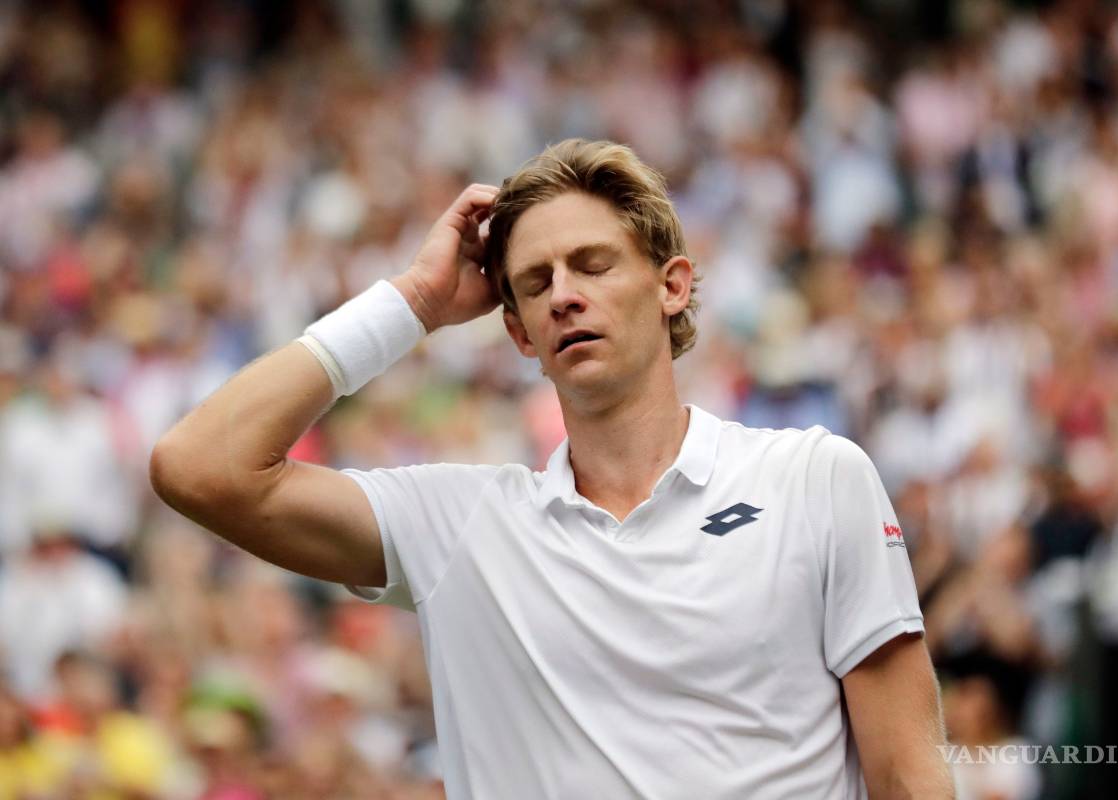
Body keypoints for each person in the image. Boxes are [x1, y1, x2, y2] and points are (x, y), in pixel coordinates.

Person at [151, 138, 953, 798]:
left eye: (593, 265)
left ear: (672, 286)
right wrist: (415, 303)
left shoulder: (813, 477)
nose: (563, 294)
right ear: (520, 335)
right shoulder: (459, 527)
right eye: (536, 283)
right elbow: (200, 467)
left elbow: (909, 778)